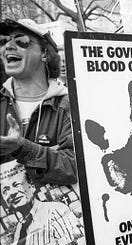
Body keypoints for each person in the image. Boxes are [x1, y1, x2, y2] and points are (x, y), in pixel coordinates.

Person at [0, 18, 77, 185]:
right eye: (3, 41)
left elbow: (76, 167)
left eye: (21, 41)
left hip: (55, 210)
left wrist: (22, 148)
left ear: (44, 53)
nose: (8, 46)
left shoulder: (69, 105)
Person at [1, 161, 83, 245]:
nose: (12, 193)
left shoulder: (55, 210)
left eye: (16, 185)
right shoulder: (19, 227)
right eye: (5, 191)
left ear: (31, 186)